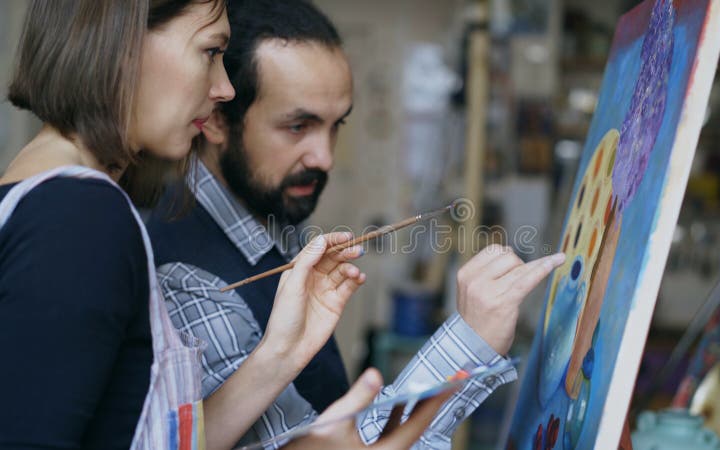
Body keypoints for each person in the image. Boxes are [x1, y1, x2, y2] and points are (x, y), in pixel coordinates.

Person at [0, 1, 453, 449]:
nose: (224, 89)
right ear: (122, 45)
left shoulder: (61, 201)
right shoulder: (80, 214)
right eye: (211, 52)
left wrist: (280, 352)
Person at [146, 0, 566, 448]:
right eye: (298, 126)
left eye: (335, 125)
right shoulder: (189, 281)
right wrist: (471, 341)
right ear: (216, 120)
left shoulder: (269, 216)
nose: (324, 157)